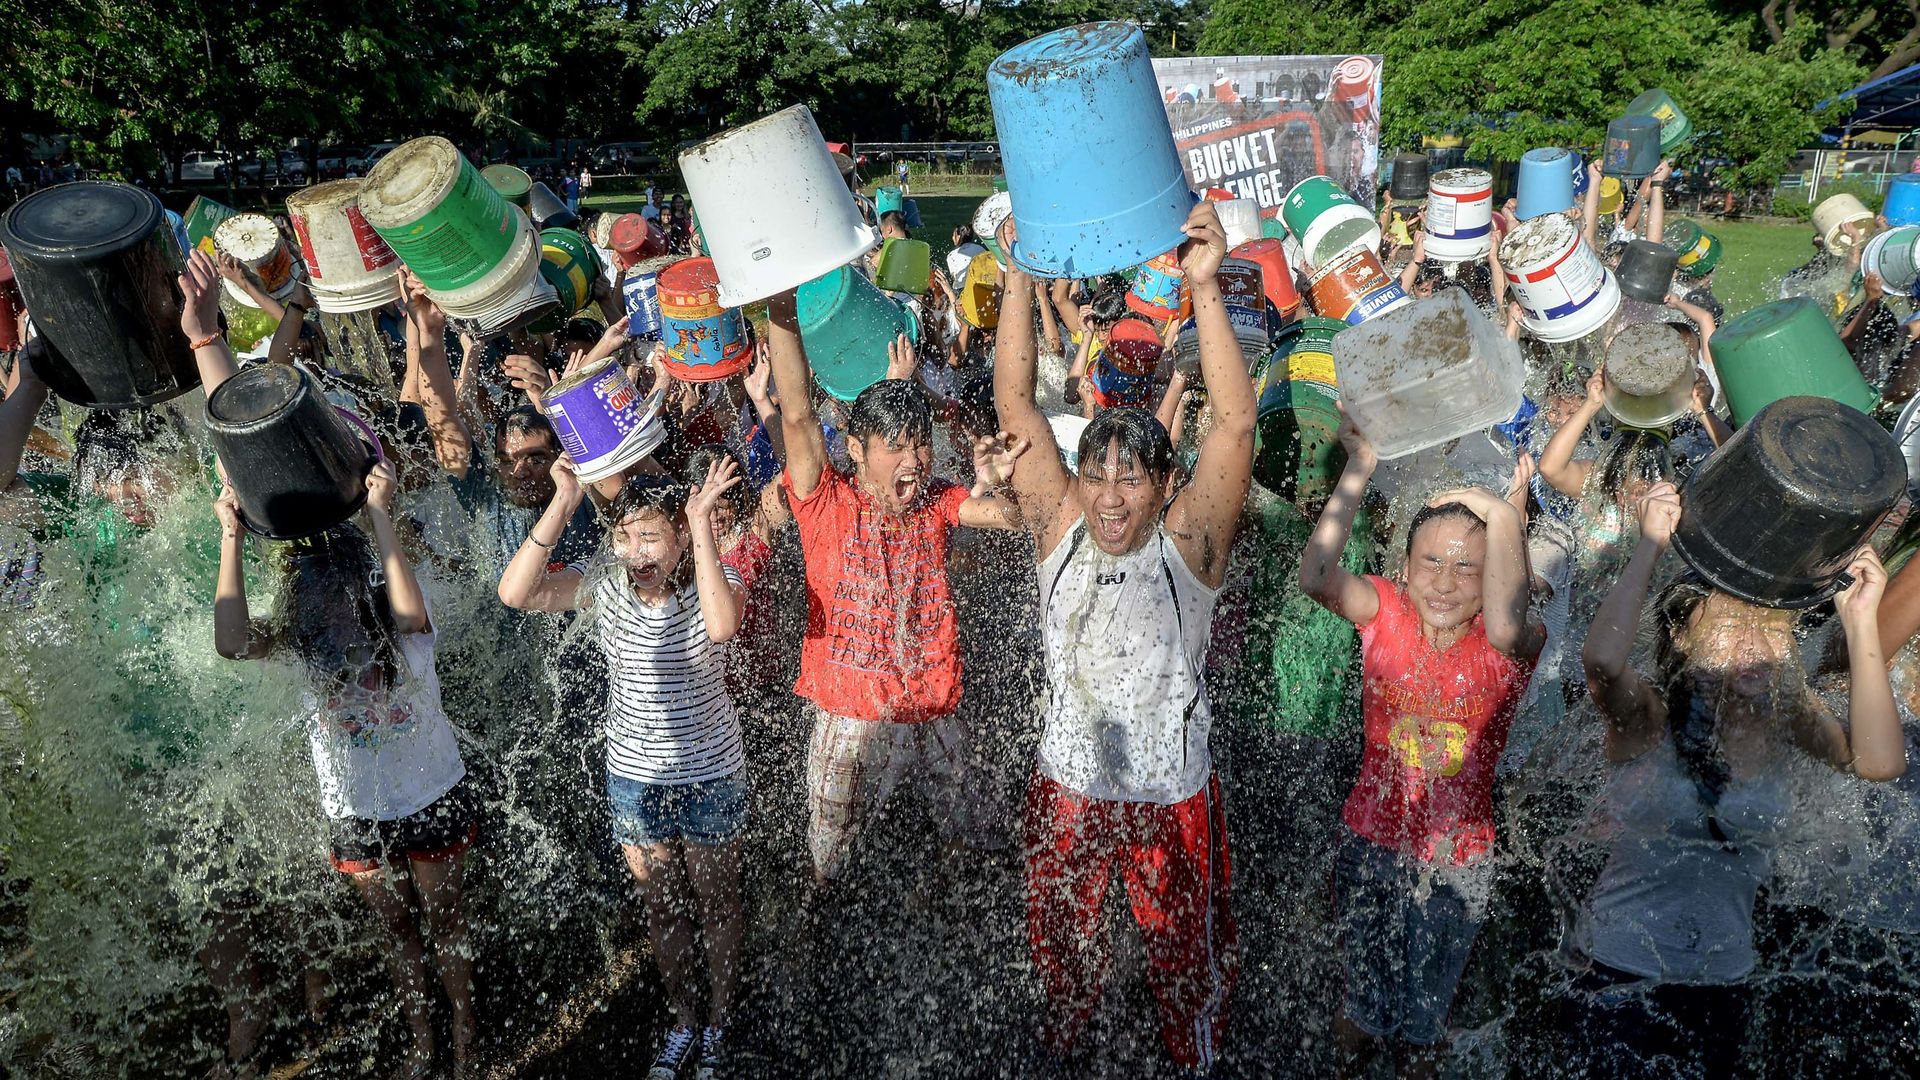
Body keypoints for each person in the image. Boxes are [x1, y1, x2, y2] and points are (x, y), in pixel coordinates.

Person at [992, 203, 1247, 1076]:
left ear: (1164, 483)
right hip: (1068, 785)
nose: (1107, 498)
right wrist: (1020, 275)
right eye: (1094, 475)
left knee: (1184, 967)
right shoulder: (1058, 530)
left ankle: (1193, 1056)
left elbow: (1238, 427)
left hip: (1171, 793)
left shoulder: (1191, 550)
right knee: (1063, 963)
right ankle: (1064, 1051)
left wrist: (1205, 290)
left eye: (1129, 479)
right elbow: (1013, 400)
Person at [1563, 483, 1904, 1079]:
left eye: (1772, 628)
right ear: (1683, 636)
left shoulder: (1788, 720)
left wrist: (1861, 621)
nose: (1754, 642)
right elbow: (1602, 664)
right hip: (1620, 974)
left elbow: (1879, 763)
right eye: (1730, 622)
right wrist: (1649, 545)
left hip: (1726, 981)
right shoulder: (1650, 719)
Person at [1299, 412, 1545, 1079]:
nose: (1443, 580)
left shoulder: (1508, 647)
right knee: (1361, 1005)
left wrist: (1500, 510)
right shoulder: (1387, 611)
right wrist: (1359, 469)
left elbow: (1504, 612)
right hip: (1369, 843)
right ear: (1403, 570)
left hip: (1455, 860)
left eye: (1467, 568)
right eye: (1430, 562)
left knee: (1424, 1022)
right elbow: (1318, 574)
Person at [761, 276, 1026, 887]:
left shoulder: (937, 501)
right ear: (856, 449)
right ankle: (816, 931)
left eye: (921, 447)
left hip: (933, 704)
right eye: (896, 449)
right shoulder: (826, 502)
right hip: (849, 716)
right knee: (830, 856)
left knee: (963, 837)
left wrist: (1002, 478)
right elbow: (798, 414)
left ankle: (943, 916)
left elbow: (1017, 518)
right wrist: (781, 307)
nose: (914, 462)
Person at [498, 456, 748, 1080]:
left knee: (717, 903)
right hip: (636, 779)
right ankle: (683, 1020)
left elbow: (721, 625)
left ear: (681, 536)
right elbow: (516, 592)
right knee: (661, 906)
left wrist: (700, 530)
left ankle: (719, 1022)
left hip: (710, 773)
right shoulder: (604, 584)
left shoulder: (718, 578)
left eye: (651, 536)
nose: (635, 551)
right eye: (625, 535)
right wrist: (563, 500)